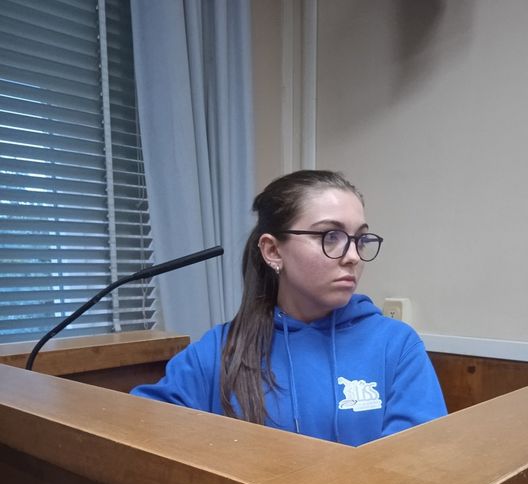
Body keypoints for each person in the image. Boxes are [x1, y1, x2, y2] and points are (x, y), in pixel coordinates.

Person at [131, 170, 447, 446]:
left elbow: (416, 462)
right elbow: (140, 430)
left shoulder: (396, 345)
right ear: (272, 250)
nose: (353, 256)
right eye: (331, 236)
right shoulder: (221, 350)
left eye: (360, 239)